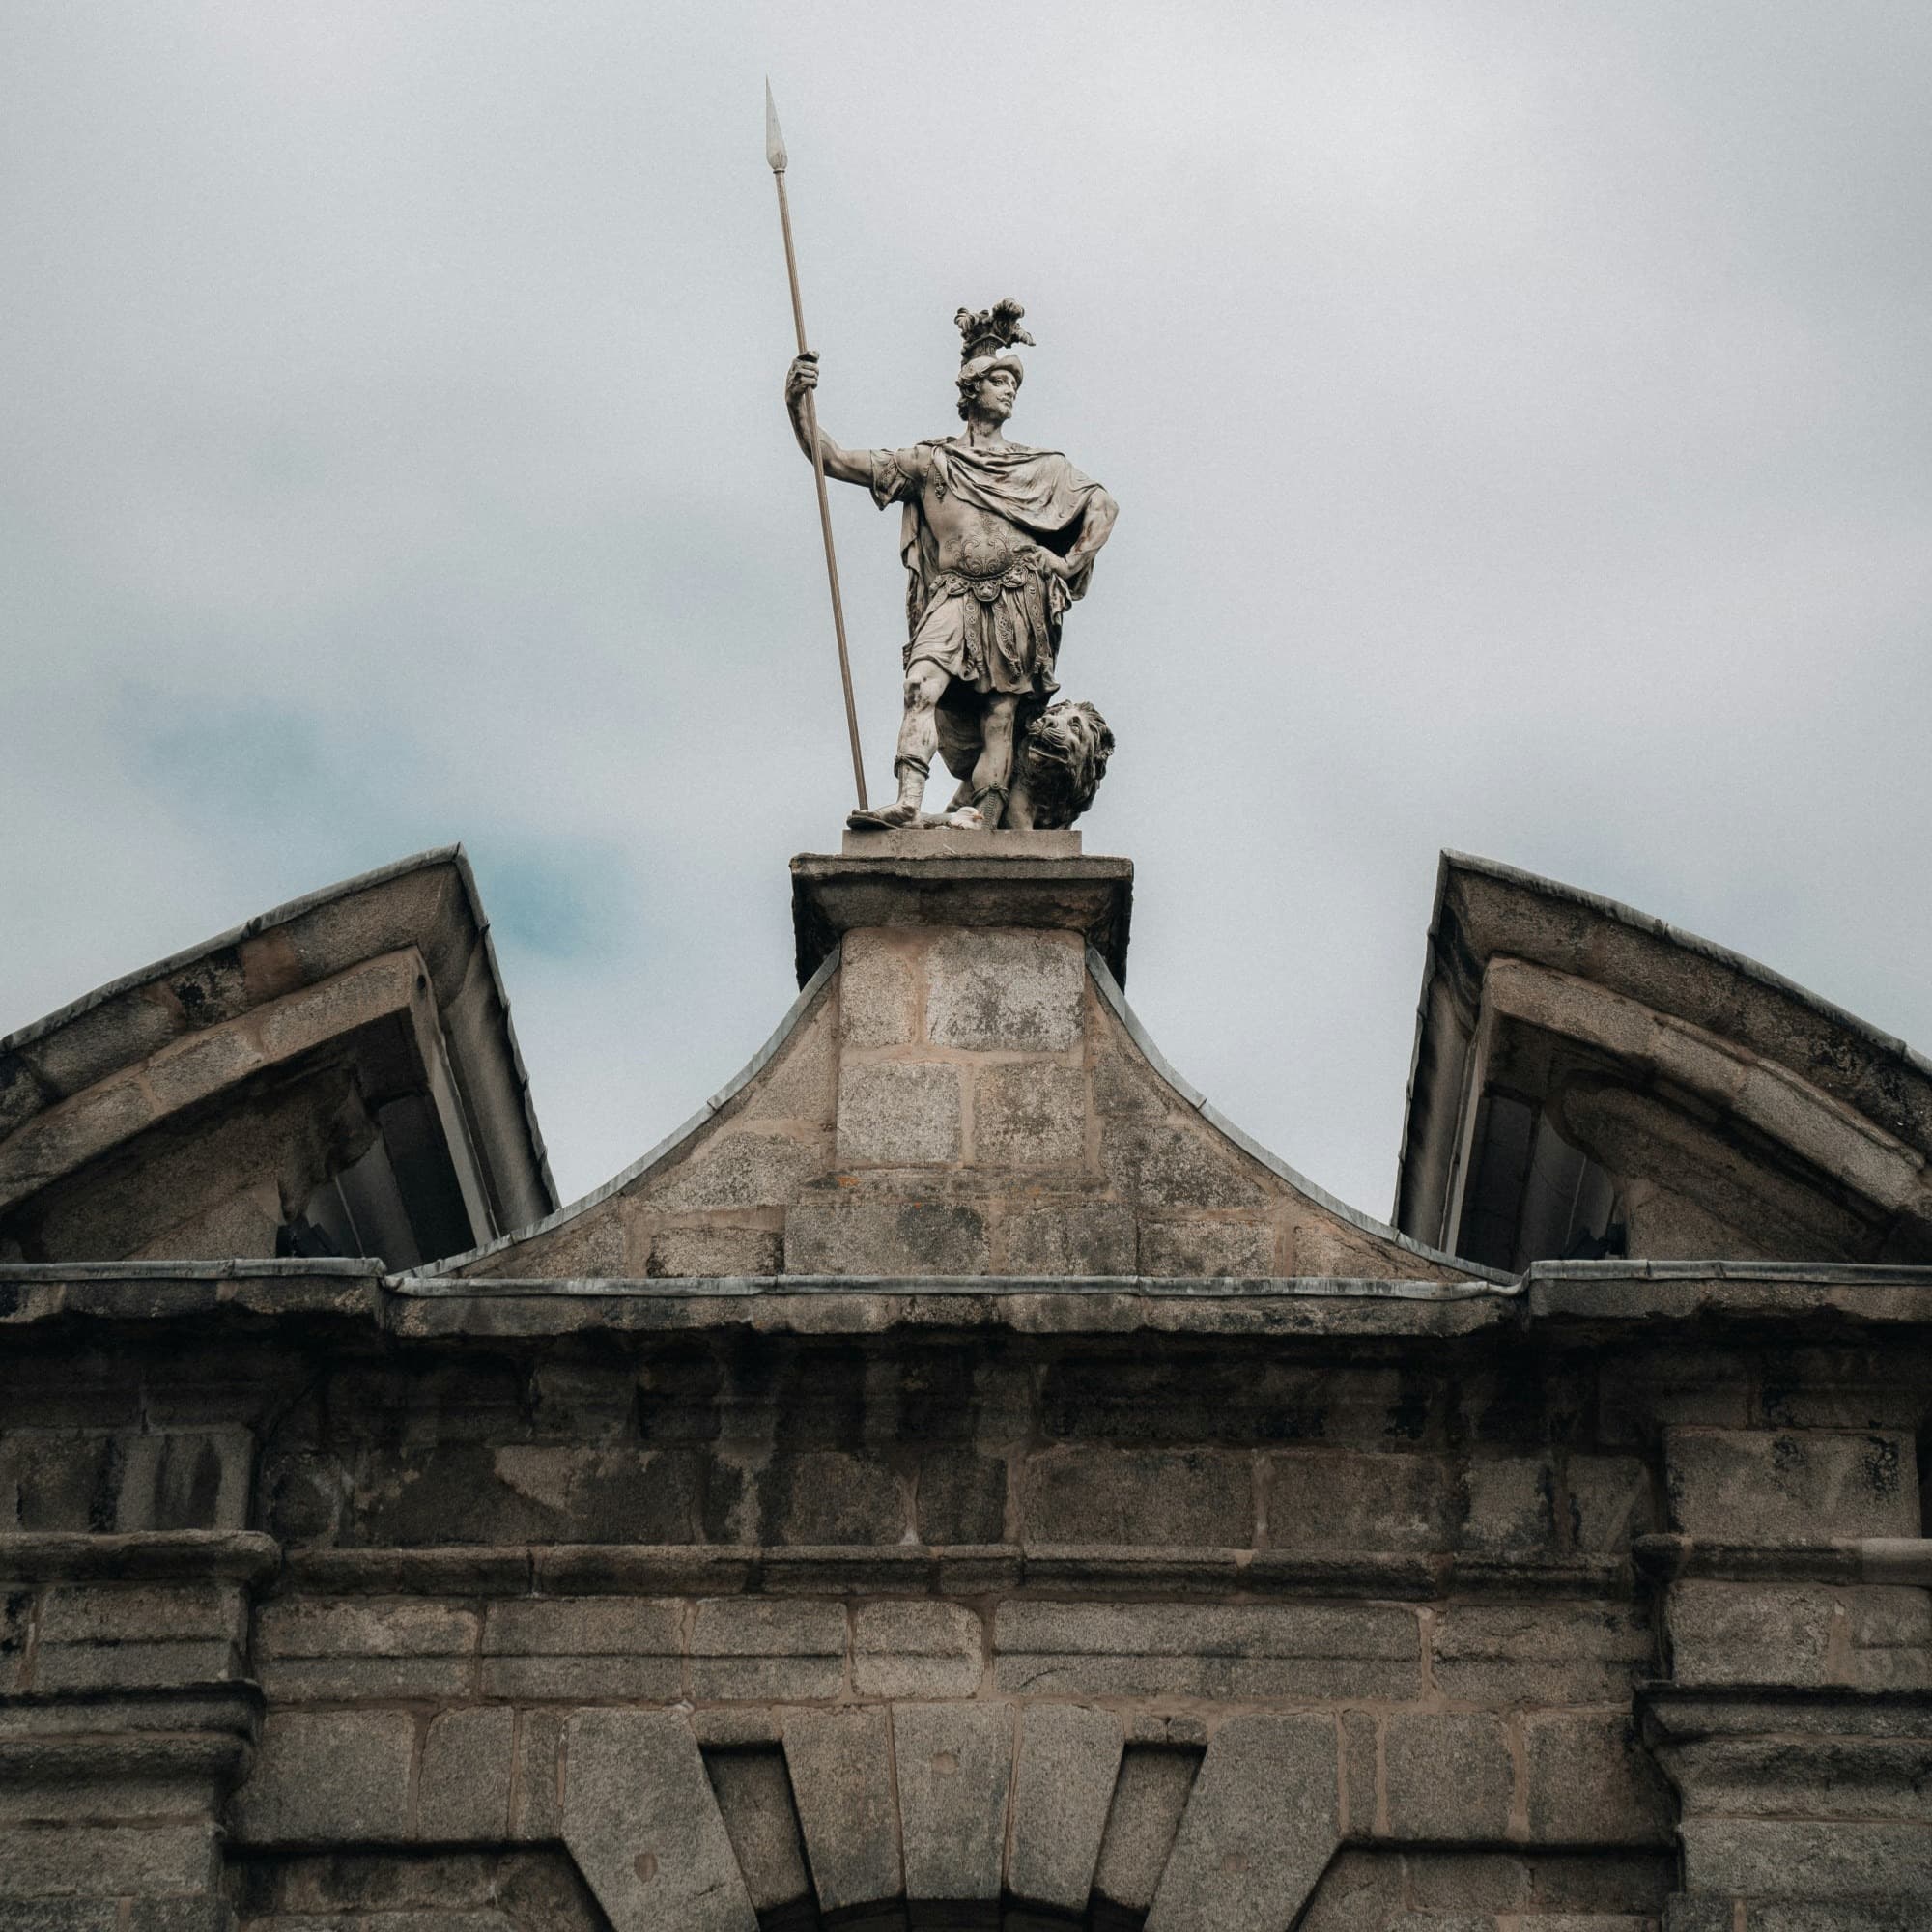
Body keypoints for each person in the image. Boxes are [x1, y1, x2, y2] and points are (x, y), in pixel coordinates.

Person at [785, 301, 1118, 829]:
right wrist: (798, 403)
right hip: (955, 593)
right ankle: (908, 800)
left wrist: (1068, 561)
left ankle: (982, 824)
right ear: (972, 389)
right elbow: (834, 458)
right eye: (1000, 381)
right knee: (920, 685)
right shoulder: (929, 461)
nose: (1010, 390)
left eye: (1014, 383)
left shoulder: (1040, 466)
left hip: (1016, 596)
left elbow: (1104, 506)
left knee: (1001, 719)